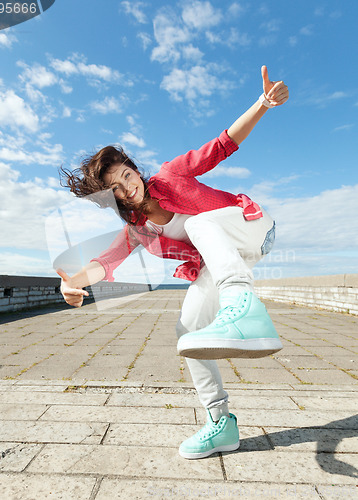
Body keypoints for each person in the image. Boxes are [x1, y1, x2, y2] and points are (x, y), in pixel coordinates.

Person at [57, 65, 289, 460]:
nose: (129, 186)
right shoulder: (138, 230)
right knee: (190, 332)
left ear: (135, 169)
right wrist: (73, 281)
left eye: (128, 175)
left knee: (199, 222)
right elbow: (107, 261)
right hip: (224, 260)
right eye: (117, 189)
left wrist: (263, 103)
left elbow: (222, 144)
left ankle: (242, 305)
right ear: (111, 199)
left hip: (252, 229)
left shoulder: (171, 175)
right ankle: (221, 424)